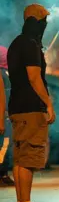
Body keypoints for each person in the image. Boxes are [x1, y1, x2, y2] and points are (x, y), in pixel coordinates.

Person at [7, 4, 54, 202]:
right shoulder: (30, 45)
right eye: (44, 20)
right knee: (28, 159)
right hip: (31, 109)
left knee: (20, 159)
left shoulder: (16, 43)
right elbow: (34, 78)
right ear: (36, 21)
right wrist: (48, 104)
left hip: (17, 107)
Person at [0, 45, 13, 187]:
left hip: (4, 115)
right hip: (4, 116)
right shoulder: (4, 76)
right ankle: (2, 173)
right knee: (4, 145)